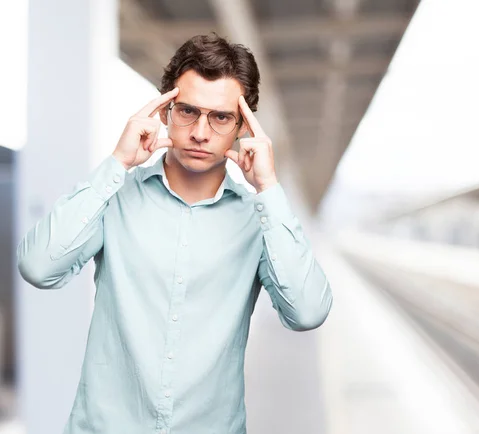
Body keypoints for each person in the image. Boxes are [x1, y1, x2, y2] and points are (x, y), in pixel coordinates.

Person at [17, 33, 333, 434]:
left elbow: (307, 312)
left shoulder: (259, 220)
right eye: (187, 111)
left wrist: (268, 189)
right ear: (165, 109)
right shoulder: (116, 197)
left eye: (220, 117)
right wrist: (118, 162)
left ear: (243, 125)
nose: (201, 132)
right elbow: (38, 266)